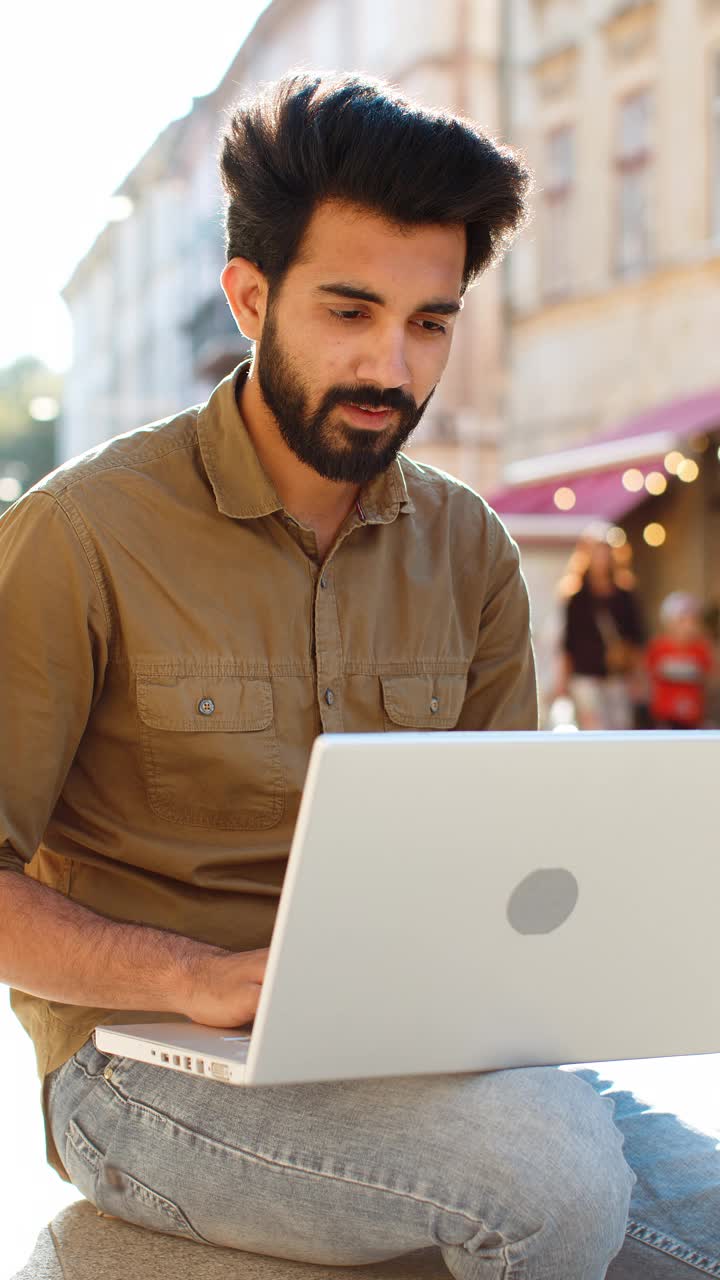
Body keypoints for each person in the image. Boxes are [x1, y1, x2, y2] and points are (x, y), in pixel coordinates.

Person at [0, 72, 717, 1279]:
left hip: (414, 1053)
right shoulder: (78, 534)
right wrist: (198, 973)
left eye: (430, 321)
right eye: (349, 310)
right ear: (249, 297)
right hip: (141, 1067)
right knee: (548, 1179)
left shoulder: (471, 547)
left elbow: (510, 868)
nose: (393, 363)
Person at [556, 531, 646, 730]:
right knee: (594, 731)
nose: (602, 559)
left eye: (606, 553)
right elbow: (568, 642)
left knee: (620, 730)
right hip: (585, 676)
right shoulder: (577, 599)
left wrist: (638, 676)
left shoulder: (625, 597)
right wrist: (562, 681)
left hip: (618, 675)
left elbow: (636, 637)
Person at [646, 591, 714, 729]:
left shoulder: (701, 648)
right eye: (683, 620)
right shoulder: (658, 647)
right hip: (665, 716)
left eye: (693, 619)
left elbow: (709, 676)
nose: (689, 625)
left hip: (693, 715)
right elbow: (647, 676)